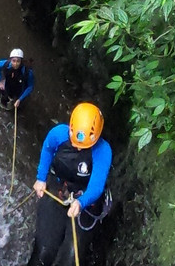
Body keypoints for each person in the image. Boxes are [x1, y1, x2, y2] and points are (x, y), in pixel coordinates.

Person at [28, 103, 112, 266]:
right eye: (75, 144)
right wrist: (41, 178)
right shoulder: (58, 134)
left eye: (83, 146)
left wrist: (81, 203)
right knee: (44, 252)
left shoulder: (102, 150)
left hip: (86, 201)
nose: (78, 149)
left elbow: (96, 185)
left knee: (71, 257)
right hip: (60, 190)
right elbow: (47, 149)